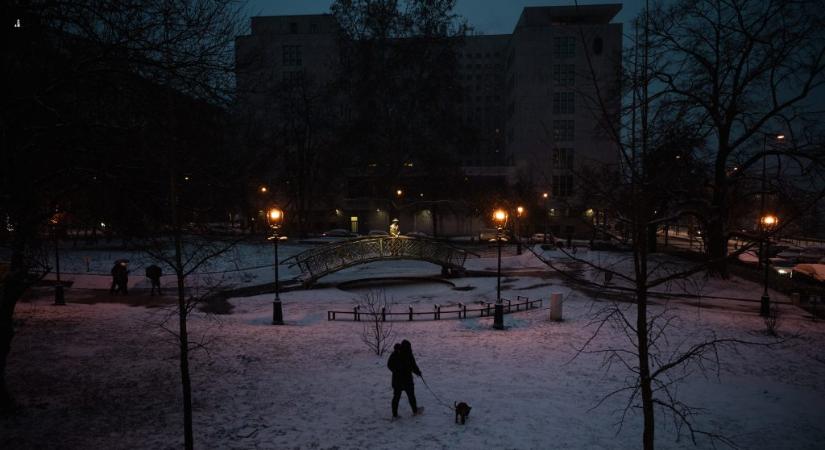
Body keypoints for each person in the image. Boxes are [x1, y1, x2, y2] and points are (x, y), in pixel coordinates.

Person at [387, 339, 422, 419]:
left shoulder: (409, 354)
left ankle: (415, 410)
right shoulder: (396, 354)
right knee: (397, 397)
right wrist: (397, 370)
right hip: (399, 380)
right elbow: (389, 365)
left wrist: (418, 372)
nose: (409, 349)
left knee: (410, 396)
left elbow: (413, 365)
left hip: (405, 380)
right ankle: (395, 415)